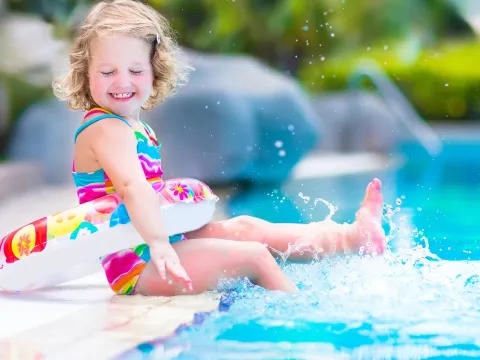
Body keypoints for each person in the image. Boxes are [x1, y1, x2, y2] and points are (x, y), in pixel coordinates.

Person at [52, 0, 386, 297]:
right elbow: (131, 188)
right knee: (254, 256)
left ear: (155, 71)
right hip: (138, 263)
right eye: (108, 71)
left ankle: (353, 237)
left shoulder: (137, 127)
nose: (122, 81)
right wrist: (159, 245)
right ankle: (300, 323)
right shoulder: (104, 128)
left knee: (247, 228)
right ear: (85, 74)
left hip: (160, 241)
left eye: (135, 70)